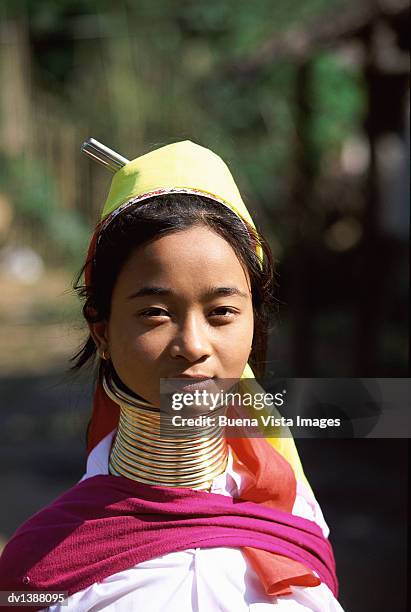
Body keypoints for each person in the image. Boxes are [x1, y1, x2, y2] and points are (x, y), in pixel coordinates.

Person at [0, 140, 344, 611]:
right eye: (156, 313)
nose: (194, 346)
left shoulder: (297, 529)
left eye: (222, 311)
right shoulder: (39, 565)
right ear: (100, 331)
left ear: (254, 323)